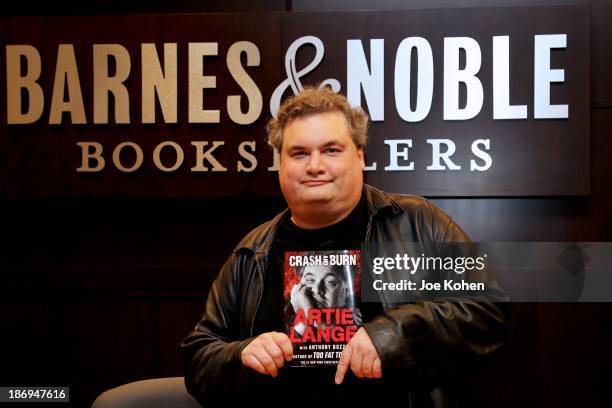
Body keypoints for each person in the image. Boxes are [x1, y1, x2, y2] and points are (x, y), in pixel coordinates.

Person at [181, 87, 508, 407]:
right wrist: (239, 356)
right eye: (299, 153)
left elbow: (488, 310)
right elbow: (198, 357)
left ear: (360, 156)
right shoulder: (252, 253)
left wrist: (390, 336)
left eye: (331, 150)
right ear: (280, 164)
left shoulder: (417, 224)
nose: (315, 165)